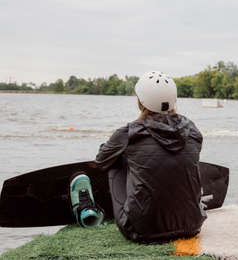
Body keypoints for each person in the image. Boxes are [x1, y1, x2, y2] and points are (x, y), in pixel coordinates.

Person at [69, 71, 206, 243]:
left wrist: (119, 148)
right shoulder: (193, 131)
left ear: (140, 101)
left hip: (142, 232)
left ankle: (88, 207)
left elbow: (101, 161)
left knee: (116, 162)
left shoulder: (129, 133)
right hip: (192, 227)